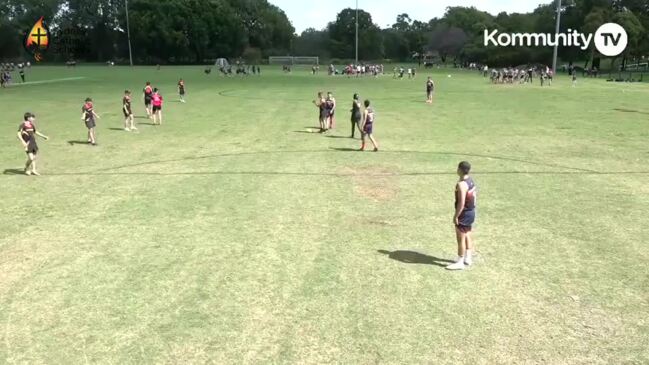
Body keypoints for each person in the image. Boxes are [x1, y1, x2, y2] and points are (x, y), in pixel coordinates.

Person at [446, 161, 477, 270]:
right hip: (471, 212)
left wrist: (456, 216)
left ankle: (460, 262)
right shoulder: (470, 180)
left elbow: (461, 202)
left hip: (464, 214)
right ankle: (468, 258)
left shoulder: (461, 184)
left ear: (460, 169)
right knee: (468, 233)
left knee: (461, 238)